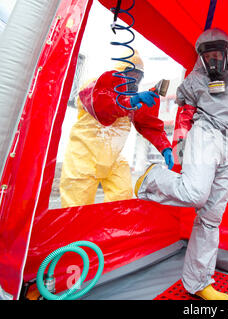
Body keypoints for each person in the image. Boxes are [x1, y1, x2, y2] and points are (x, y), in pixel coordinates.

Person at [134, 28, 228, 300]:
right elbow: (184, 107)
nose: (212, 60)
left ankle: (199, 283)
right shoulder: (196, 78)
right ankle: (152, 178)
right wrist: (179, 144)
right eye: (206, 55)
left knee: (211, 218)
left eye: (217, 54)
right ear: (201, 57)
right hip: (206, 134)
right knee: (194, 193)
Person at [60, 50, 174, 208]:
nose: (134, 80)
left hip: (113, 159)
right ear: (121, 72)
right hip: (82, 159)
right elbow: (103, 105)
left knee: (122, 203)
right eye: (131, 74)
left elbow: (149, 124)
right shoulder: (94, 86)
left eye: (137, 77)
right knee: (75, 210)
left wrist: (165, 147)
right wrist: (132, 100)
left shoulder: (131, 101)